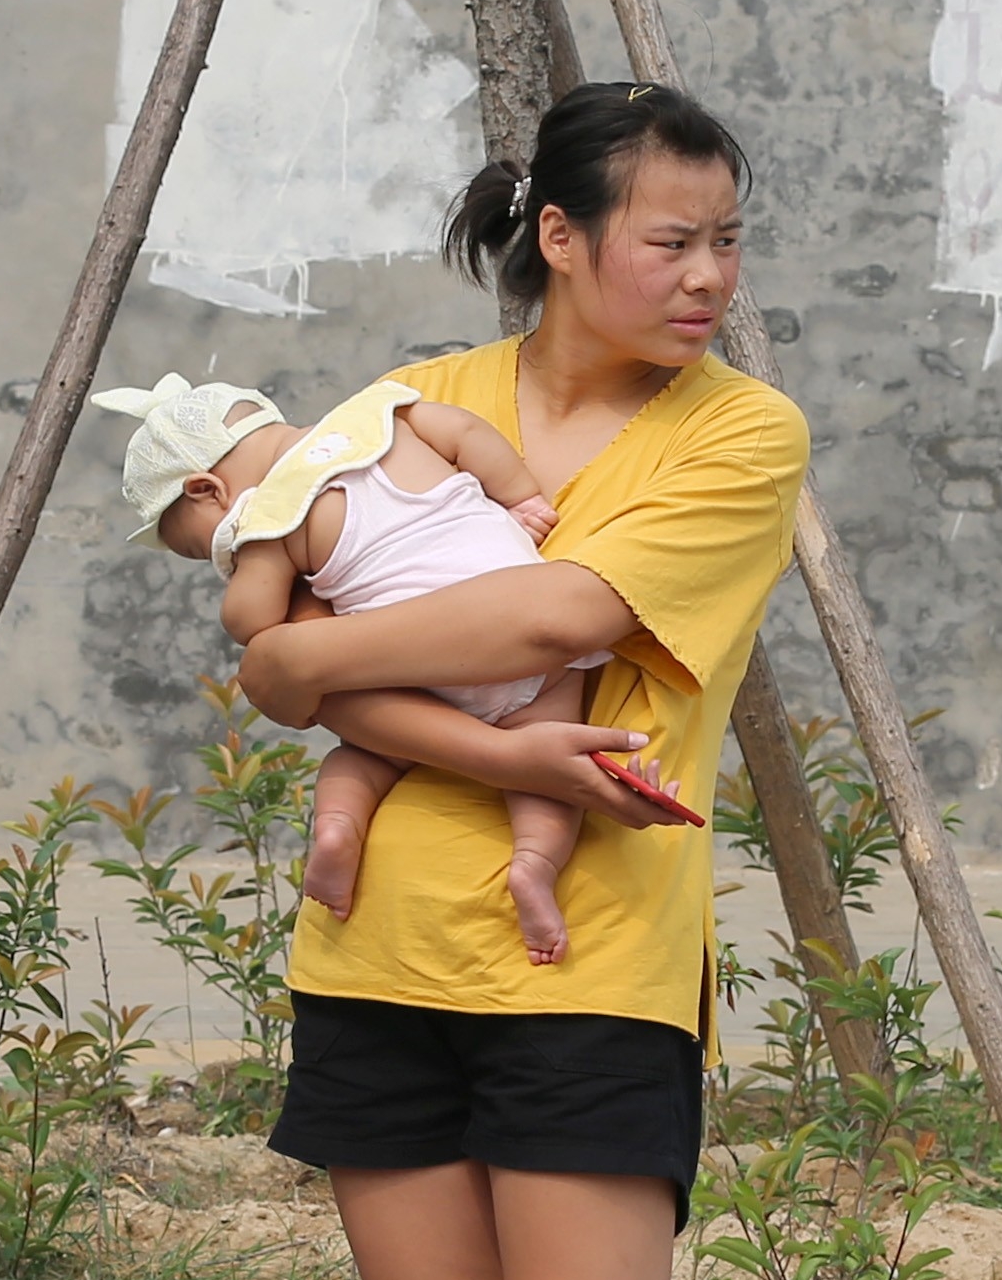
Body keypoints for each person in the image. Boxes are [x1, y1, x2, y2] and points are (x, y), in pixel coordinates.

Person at [235, 81, 804, 1280]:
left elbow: (541, 607)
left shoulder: (739, 436)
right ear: (560, 234)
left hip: (589, 977)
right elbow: (286, 592)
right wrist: (338, 668)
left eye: (726, 237)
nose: (710, 274)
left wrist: (315, 658)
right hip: (379, 958)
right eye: (672, 237)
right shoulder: (418, 395)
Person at [92, 370, 705, 965]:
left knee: (362, 756)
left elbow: (251, 622)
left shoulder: (269, 519)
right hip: (526, 649)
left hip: (424, 679)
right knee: (542, 764)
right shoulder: (384, 414)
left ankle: (336, 829)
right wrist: (518, 497)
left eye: (202, 545)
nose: (215, 552)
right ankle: (534, 867)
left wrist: (243, 563)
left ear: (209, 490)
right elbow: (468, 433)